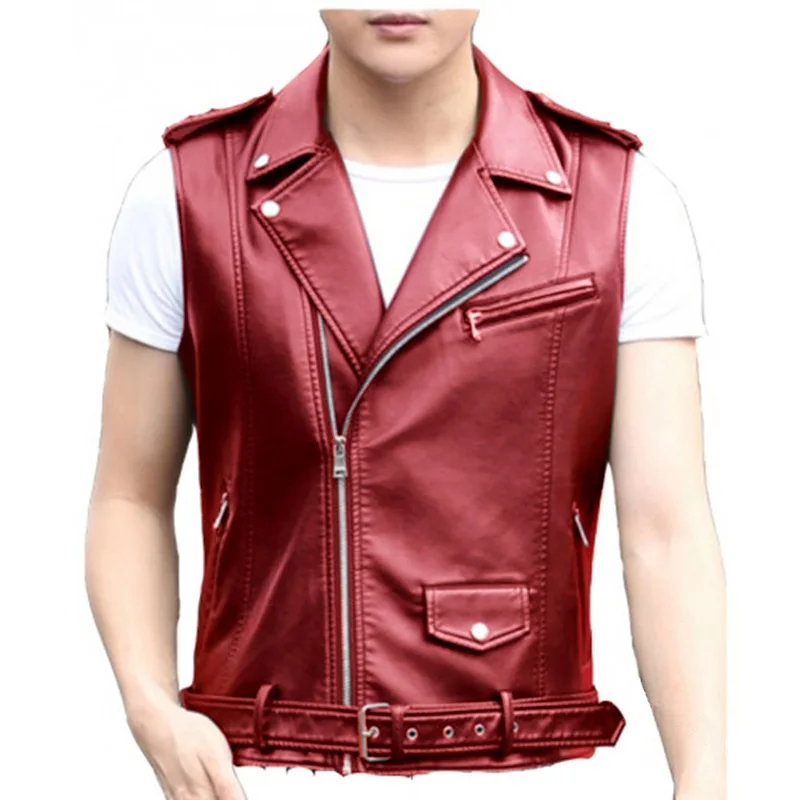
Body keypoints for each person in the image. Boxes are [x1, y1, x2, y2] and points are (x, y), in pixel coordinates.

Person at [85, 8, 726, 800]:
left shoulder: (619, 202)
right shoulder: (186, 194)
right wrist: (151, 708)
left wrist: (703, 777)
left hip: (539, 768)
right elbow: (128, 496)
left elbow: (666, 528)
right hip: (253, 766)